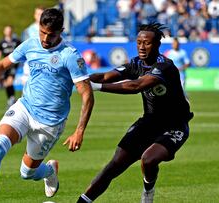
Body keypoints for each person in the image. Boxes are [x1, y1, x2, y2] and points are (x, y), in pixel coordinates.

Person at [0, 8, 94, 203]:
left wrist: (79, 131)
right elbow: (3, 64)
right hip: (25, 108)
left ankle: (49, 170)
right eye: (42, 32)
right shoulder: (30, 44)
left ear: (61, 31)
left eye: (51, 35)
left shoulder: (70, 55)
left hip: (50, 122)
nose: (45, 39)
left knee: (27, 173)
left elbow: (87, 94)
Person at [76, 22, 194, 203]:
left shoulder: (165, 67)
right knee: (114, 166)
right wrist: (79, 81)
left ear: (157, 45)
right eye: (139, 42)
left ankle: (148, 190)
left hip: (174, 125)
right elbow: (105, 76)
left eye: (146, 43)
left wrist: (96, 87)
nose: (141, 46)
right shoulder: (136, 63)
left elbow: (135, 86)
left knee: (148, 160)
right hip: (148, 123)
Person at [0, 25, 21, 107]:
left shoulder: (16, 41)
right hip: (5, 65)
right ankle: (11, 99)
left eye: (9, 30)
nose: (8, 31)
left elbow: (21, 51)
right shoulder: (2, 42)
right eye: (7, 30)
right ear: (4, 32)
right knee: (6, 84)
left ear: (11, 31)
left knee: (10, 81)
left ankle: (12, 99)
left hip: (13, 64)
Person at [20, 6, 45, 86]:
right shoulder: (28, 30)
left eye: (41, 14)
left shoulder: (49, 30)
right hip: (31, 62)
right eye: (38, 14)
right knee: (27, 88)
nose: (39, 16)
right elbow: (24, 47)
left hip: (45, 62)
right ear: (34, 15)